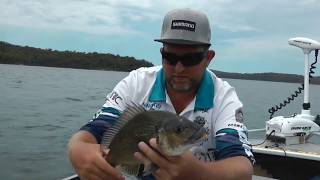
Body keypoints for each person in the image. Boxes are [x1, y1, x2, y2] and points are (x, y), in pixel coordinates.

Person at [68, 8, 255, 180]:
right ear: (161, 53)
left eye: (190, 59)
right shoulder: (137, 83)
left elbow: (242, 167)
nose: (179, 68)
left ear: (208, 58)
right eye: (170, 58)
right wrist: (77, 149)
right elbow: (93, 131)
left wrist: (199, 174)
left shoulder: (223, 97)